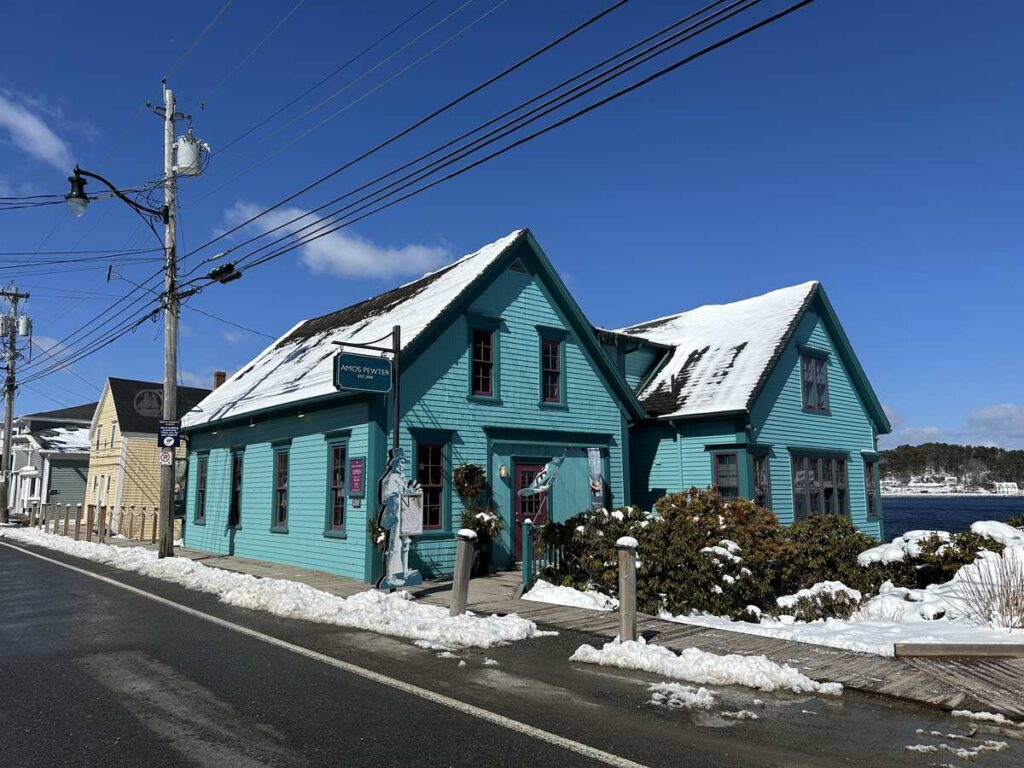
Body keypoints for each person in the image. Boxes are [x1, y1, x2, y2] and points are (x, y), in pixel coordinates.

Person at [377, 448, 421, 588]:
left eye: (404, 462)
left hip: (404, 513)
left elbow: (405, 493)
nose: (403, 464)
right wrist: (402, 495)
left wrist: (410, 492)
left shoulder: (401, 477)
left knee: (405, 542)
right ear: (395, 463)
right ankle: (390, 575)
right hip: (395, 513)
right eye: (401, 462)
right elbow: (387, 498)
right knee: (394, 544)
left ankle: (403, 571)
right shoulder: (391, 478)